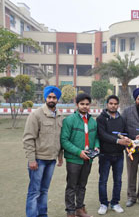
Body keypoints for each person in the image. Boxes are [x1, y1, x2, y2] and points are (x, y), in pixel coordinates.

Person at [23, 86, 63, 217]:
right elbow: (28, 138)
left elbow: (59, 138)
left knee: (44, 190)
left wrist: (60, 156)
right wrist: (31, 160)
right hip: (38, 160)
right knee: (34, 192)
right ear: (45, 97)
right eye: (49, 97)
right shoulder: (36, 115)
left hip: (51, 160)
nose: (51, 99)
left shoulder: (59, 116)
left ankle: (42, 214)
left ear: (57, 99)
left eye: (54, 97)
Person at [60, 93, 100, 217]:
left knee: (82, 185)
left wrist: (97, 146)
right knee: (72, 186)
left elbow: (97, 137)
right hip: (74, 159)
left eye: (87, 104)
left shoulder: (93, 121)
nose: (85, 106)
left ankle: (79, 209)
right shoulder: (69, 120)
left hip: (88, 159)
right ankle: (70, 212)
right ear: (77, 105)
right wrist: (79, 152)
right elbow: (64, 140)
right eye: (82, 104)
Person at [96, 95, 131, 215]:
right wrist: (118, 141)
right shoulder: (101, 118)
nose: (113, 105)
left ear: (118, 105)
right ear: (107, 104)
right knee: (103, 180)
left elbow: (125, 133)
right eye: (111, 103)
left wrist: (129, 139)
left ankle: (115, 202)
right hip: (105, 155)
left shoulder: (121, 119)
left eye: (115, 104)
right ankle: (103, 203)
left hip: (119, 155)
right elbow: (102, 135)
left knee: (118, 180)